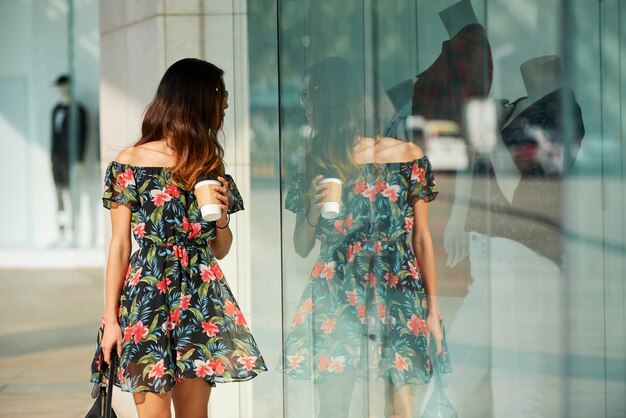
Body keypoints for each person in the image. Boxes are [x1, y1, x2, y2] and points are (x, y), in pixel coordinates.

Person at [90, 58, 267, 418]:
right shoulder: (130, 162)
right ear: (197, 98)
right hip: (147, 298)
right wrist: (111, 318)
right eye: (221, 94)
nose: (227, 104)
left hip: (199, 299)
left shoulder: (207, 165)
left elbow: (219, 249)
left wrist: (221, 220)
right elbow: (121, 245)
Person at [283, 57, 450, 418]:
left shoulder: (406, 156)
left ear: (332, 99)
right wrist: (311, 212)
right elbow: (300, 246)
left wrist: (433, 310)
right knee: (332, 406)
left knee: (399, 407)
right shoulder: (314, 162)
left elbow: (422, 239)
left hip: (395, 285)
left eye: (309, 94)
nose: (305, 105)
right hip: (336, 291)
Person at [51, 74, 87, 244]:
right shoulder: (56, 110)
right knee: (59, 194)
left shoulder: (78, 110)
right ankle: (62, 231)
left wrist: (79, 159)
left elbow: (82, 135)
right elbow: (53, 136)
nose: (62, 90)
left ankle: (75, 231)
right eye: (60, 87)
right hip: (57, 159)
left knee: (73, 195)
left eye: (64, 86)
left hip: (71, 159)